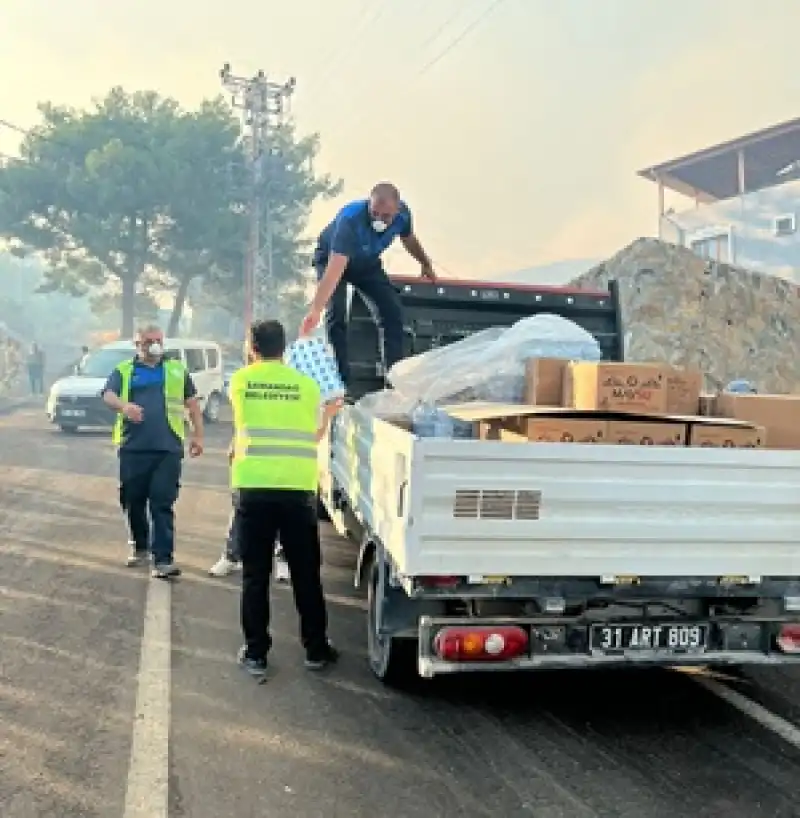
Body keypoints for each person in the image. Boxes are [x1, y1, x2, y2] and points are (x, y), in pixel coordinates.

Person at [230, 319, 338, 677]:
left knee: (255, 575)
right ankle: (316, 650)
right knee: (306, 574)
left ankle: (257, 653)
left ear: (252, 346)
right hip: (297, 490)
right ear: (284, 346)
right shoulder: (307, 387)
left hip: (254, 488)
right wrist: (330, 413)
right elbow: (316, 433)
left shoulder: (241, 381)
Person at [300, 182, 435, 388]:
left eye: (386, 216)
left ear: (397, 210)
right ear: (368, 205)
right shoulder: (351, 219)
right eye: (375, 213)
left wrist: (425, 262)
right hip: (333, 259)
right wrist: (316, 309)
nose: (379, 221)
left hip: (367, 263)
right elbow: (335, 269)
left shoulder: (403, 216)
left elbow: (408, 239)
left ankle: (393, 378)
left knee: (391, 311)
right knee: (336, 314)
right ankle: (342, 380)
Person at [102, 324, 204, 578]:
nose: (154, 344)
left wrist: (198, 435)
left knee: (162, 502)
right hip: (133, 448)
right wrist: (125, 407)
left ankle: (163, 559)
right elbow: (108, 395)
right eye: (148, 341)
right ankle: (141, 546)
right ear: (137, 344)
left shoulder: (176, 370)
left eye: (158, 340)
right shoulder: (124, 371)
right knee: (132, 500)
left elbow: (192, 404)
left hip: (167, 448)